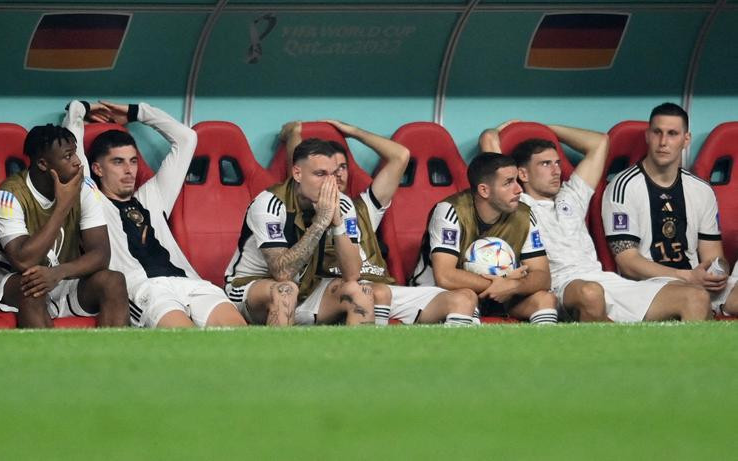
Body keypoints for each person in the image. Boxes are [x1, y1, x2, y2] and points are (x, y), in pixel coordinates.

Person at [480, 122, 710, 322]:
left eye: (558, 163)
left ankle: (682, 367)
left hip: (604, 280)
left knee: (696, 297)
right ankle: (625, 356)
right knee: (590, 293)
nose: (556, 171)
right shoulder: (516, 203)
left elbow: (600, 142)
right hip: (562, 286)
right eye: (545, 164)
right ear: (523, 174)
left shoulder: (571, 195)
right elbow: (489, 139)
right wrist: (519, 129)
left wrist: (547, 130)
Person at [63, 100, 246, 328]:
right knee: (185, 340)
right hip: (145, 288)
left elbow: (186, 138)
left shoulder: (152, 196)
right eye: (118, 162)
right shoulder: (93, 201)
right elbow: (73, 148)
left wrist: (136, 112)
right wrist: (81, 108)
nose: (129, 170)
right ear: (98, 169)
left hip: (189, 282)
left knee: (238, 332)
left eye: (133, 161)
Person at [279, 121, 478, 326]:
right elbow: (299, 169)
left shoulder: (365, 207)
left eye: (342, 168)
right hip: (336, 290)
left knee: (464, 298)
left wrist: (353, 131)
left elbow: (400, 156)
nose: (335, 175)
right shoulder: (305, 207)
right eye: (325, 171)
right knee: (374, 292)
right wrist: (295, 133)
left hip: (383, 287)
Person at [0, 123, 129, 328]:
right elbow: (24, 261)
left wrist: (59, 273)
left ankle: (117, 359)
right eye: (68, 156)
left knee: (113, 281)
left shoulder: (85, 187)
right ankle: (47, 360)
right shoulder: (7, 197)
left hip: (61, 279)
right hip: (9, 286)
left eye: (75, 153)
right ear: (43, 164)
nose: (77, 162)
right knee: (32, 286)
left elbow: (101, 255)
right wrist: (62, 207)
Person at [602, 102, 738, 316]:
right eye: (657, 132)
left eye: (672, 134)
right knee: (695, 298)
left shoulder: (701, 190)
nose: (663, 142)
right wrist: (686, 277)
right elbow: (628, 263)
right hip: (647, 285)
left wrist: (718, 271)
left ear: (686, 140)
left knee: (704, 294)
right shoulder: (623, 187)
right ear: (647, 136)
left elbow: (712, 254)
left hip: (695, 280)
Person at [225, 138, 374, 326]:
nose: (329, 183)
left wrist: (337, 223)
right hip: (252, 290)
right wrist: (320, 222)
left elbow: (352, 274)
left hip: (306, 291)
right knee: (285, 290)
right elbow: (282, 272)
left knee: (360, 291)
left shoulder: (343, 204)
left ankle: (362, 355)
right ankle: (278, 355)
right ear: (297, 173)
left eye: (333, 174)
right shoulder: (269, 204)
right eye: (320, 174)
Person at [410, 152, 558, 324]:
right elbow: (445, 276)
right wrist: (503, 282)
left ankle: (544, 351)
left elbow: (543, 277)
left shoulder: (524, 214)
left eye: (517, 180)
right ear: (484, 190)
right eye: (508, 182)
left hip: (499, 298)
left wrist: (514, 286)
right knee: (466, 298)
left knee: (546, 300)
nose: (518, 189)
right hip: (444, 294)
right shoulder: (451, 210)